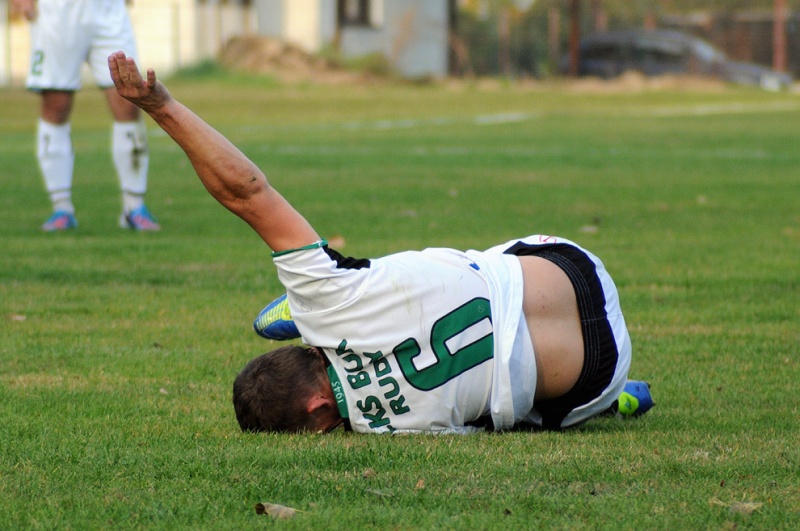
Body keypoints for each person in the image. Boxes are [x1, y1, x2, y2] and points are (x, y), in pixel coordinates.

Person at [108, 51, 652, 435]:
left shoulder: (394, 432)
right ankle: (305, 310)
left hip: (597, 379)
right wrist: (161, 106)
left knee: (506, 414)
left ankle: (620, 401)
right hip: (567, 264)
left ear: (319, 415)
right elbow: (246, 193)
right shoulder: (326, 298)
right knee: (419, 278)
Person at [12, 0, 159, 231]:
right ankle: (61, 208)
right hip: (58, 11)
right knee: (56, 104)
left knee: (129, 99)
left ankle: (134, 207)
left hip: (108, 9)